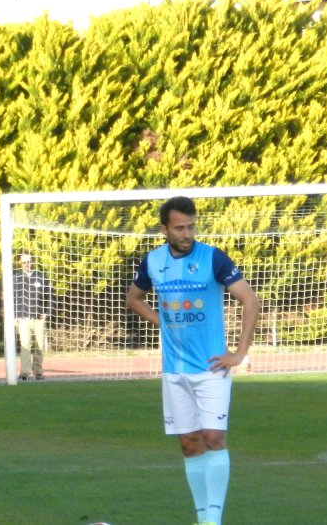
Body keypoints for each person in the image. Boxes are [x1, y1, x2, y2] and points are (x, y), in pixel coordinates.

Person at [125, 196, 261, 525]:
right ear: (165, 229)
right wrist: (162, 322)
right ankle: (203, 518)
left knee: (213, 437)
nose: (187, 233)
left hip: (212, 367)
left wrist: (239, 353)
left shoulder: (213, 258)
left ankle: (213, 520)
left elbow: (250, 299)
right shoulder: (153, 262)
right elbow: (133, 298)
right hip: (175, 369)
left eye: (191, 226)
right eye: (180, 228)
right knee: (189, 444)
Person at [13, 251, 53, 381]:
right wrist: (14, 316)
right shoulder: (16, 278)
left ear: (32, 262)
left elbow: (50, 295)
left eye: (28, 261)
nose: (26, 264)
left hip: (38, 319)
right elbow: (12, 298)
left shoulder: (41, 277)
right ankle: (25, 372)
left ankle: (38, 372)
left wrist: (47, 312)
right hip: (23, 318)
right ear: (20, 263)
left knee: (40, 346)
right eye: (24, 262)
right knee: (25, 345)